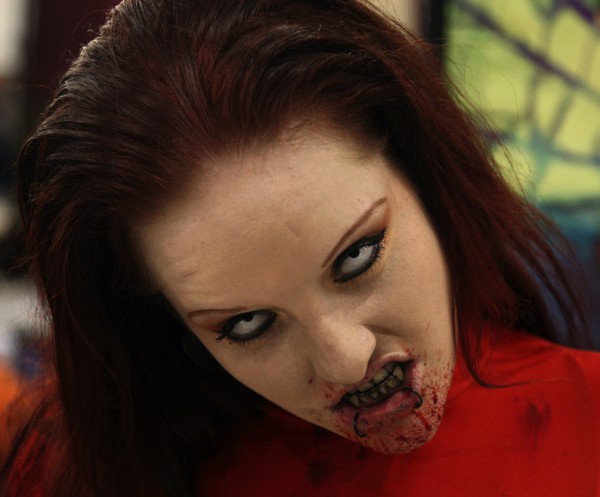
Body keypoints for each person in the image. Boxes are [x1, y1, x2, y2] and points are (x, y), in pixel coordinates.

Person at [1, 0, 599, 496]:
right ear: (167, 324)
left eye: (357, 258)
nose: (347, 361)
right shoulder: (70, 474)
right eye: (248, 324)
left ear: (418, 170)